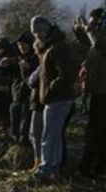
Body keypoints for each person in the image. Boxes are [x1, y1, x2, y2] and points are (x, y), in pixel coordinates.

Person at [73, 7, 106, 178]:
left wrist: (88, 28)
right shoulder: (98, 36)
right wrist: (78, 30)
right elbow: (88, 44)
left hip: (104, 91)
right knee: (99, 130)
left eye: (93, 23)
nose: (90, 26)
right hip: (95, 89)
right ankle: (100, 166)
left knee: (95, 131)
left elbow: (97, 43)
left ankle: (86, 167)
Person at [31, 16, 76, 179]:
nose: (37, 35)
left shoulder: (57, 48)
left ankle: (47, 168)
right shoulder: (49, 48)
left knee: (49, 135)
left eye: (39, 31)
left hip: (58, 99)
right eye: (34, 32)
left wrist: (51, 89)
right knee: (53, 134)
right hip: (55, 99)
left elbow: (66, 74)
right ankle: (53, 166)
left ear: (46, 29)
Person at [10, 31, 39, 145]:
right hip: (18, 94)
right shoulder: (18, 58)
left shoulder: (35, 58)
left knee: (25, 121)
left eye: (23, 45)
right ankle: (16, 141)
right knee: (14, 113)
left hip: (30, 95)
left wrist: (27, 68)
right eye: (19, 45)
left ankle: (24, 145)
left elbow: (31, 79)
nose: (21, 47)